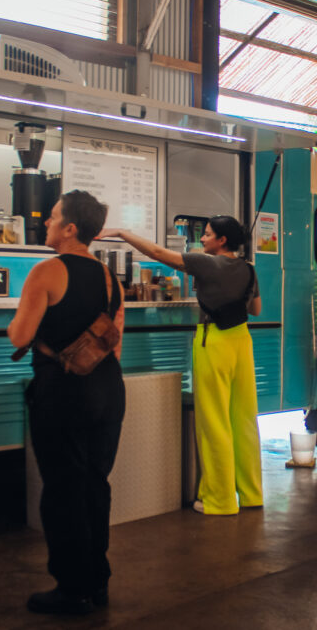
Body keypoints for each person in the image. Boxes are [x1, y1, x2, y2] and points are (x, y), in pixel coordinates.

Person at [8, 190, 125, 615]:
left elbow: (20, 336)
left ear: (70, 228)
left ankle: (71, 588)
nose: (45, 223)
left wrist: (14, 323)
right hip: (108, 390)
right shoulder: (111, 278)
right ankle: (97, 581)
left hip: (64, 390)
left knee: (62, 489)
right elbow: (115, 343)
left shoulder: (46, 271)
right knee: (95, 483)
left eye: (53, 217)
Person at [101, 216, 262, 516]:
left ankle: (220, 501)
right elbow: (255, 308)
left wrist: (124, 231)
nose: (202, 240)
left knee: (214, 422)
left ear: (222, 240)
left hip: (213, 341)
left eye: (208, 235)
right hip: (242, 342)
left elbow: (159, 255)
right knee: (243, 420)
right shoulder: (249, 269)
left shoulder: (204, 263)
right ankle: (251, 495)